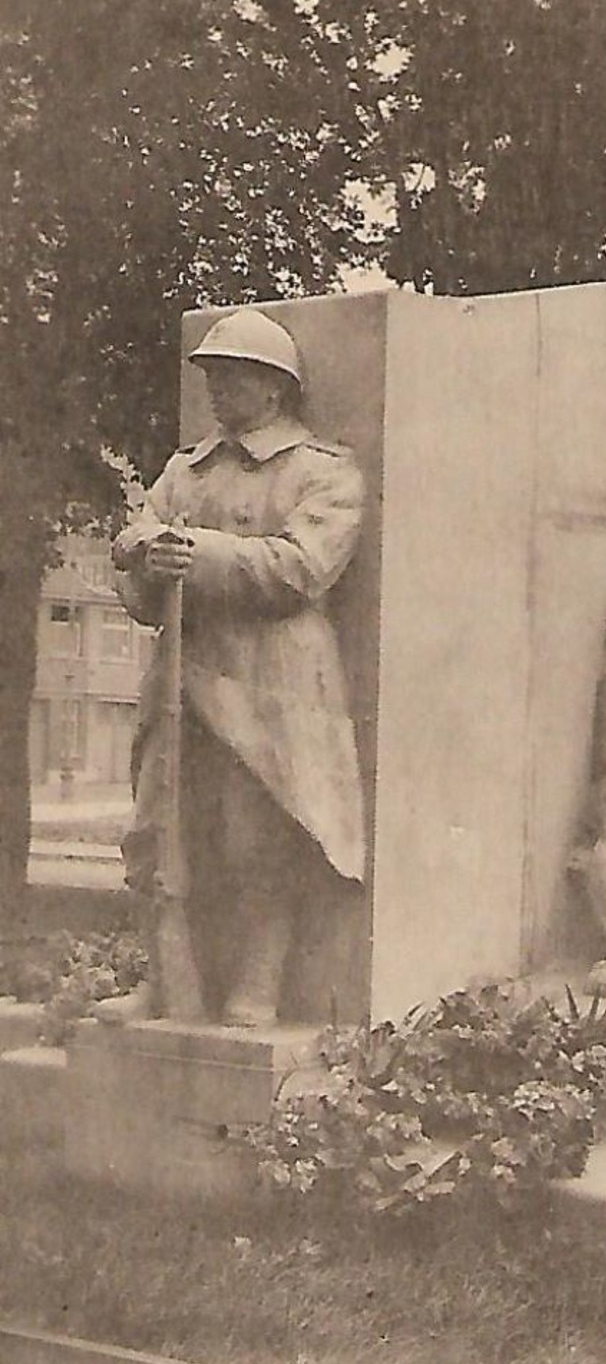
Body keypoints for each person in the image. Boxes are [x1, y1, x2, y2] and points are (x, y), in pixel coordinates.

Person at [103, 308, 365, 1027]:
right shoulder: (184, 471)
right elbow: (135, 550)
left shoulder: (322, 471)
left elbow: (303, 568)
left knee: (255, 837)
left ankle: (258, 982)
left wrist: (201, 555)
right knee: (163, 833)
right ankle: (169, 981)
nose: (217, 391)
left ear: (274, 389)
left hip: (270, 686)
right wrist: (147, 563)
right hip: (184, 674)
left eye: (233, 379)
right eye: (213, 377)